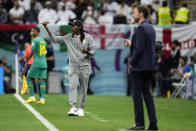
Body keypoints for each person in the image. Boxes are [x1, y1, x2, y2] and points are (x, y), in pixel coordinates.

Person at [42, 19, 96, 116]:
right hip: (73, 67)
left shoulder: (88, 37)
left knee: (84, 88)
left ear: (79, 27)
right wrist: (46, 28)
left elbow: (93, 51)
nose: (72, 27)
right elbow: (55, 39)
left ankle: (81, 108)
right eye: (71, 25)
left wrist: (87, 52)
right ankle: (73, 107)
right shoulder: (68, 37)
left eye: (74, 25)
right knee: (72, 86)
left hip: (85, 66)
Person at [124, 6, 158, 130]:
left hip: (139, 68)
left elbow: (138, 50)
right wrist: (132, 44)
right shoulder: (151, 28)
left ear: (141, 14)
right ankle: (153, 124)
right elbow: (144, 47)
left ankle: (139, 124)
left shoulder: (140, 29)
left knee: (136, 95)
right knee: (148, 95)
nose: (133, 15)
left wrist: (132, 62)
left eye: (135, 13)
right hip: (149, 66)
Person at [23, 27, 47, 104]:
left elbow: (32, 51)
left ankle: (32, 97)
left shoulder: (35, 40)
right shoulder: (43, 40)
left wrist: (27, 59)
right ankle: (42, 99)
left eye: (32, 31)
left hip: (36, 62)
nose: (31, 32)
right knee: (41, 80)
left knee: (28, 77)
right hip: (44, 62)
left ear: (37, 32)